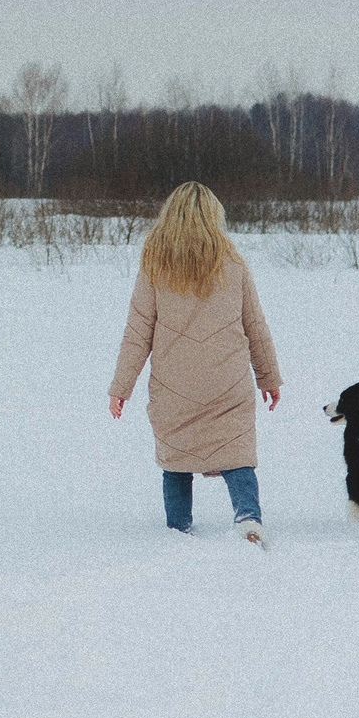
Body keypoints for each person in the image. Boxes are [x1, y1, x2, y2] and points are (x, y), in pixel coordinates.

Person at [108, 181, 282, 546]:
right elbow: (255, 325)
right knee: (237, 452)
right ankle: (249, 519)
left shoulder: (154, 265)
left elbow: (137, 332)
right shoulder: (233, 263)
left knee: (176, 459)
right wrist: (268, 377)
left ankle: (178, 530)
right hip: (228, 380)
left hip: (174, 385)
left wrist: (121, 387)